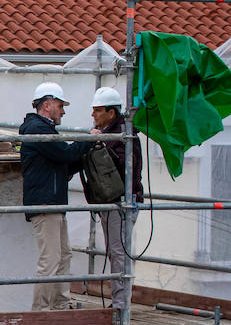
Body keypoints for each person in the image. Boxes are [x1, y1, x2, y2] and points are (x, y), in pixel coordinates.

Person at [20, 81, 91, 310]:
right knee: (50, 260)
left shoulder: (44, 130)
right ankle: (40, 311)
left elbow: (62, 162)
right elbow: (64, 154)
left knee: (63, 255)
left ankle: (61, 303)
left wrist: (79, 155)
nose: (63, 111)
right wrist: (87, 141)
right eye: (60, 105)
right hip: (46, 203)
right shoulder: (37, 130)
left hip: (53, 202)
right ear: (48, 104)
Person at [89, 86, 143, 312]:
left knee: (119, 252)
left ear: (111, 113)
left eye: (98, 111)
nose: (93, 115)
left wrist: (101, 144)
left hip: (122, 202)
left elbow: (121, 167)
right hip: (113, 201)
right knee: (115, 251)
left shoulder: (123, 136)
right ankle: (119, 301)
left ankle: (121, 305)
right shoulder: (115, 134)